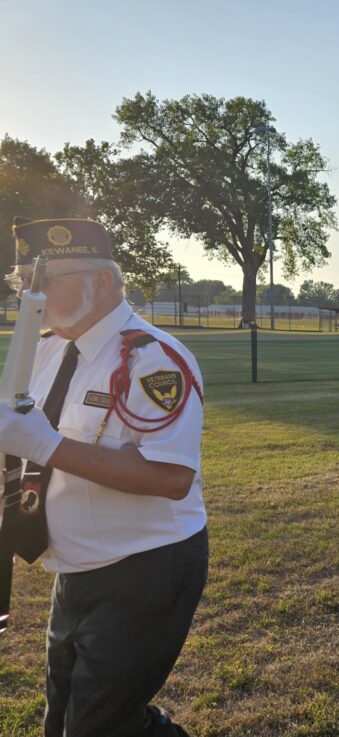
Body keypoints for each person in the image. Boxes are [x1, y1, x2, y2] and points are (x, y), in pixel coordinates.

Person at [0, 217, 207, 736]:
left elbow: (171, 477)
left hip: (144, 566)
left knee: (100, 726)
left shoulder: (154, 361)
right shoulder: (45, 349)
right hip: (74, 569)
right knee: (61, 720)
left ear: (102, 282)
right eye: (21, 281)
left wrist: (47, 445)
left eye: (45, 281)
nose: (29, 294)